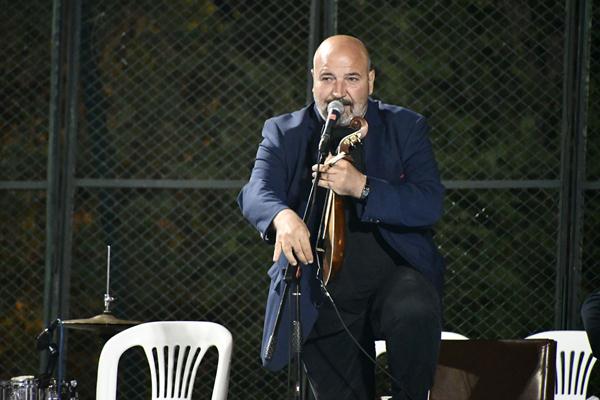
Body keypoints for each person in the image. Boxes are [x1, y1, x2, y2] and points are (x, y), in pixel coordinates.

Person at [238, 34, 445, 400]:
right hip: (322, 294)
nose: (339, 91)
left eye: (352, 78)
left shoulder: (405, 127)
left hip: (395, 281)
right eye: (327, 78)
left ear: (371, 80)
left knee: (414, 306)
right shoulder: (283, 131)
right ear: (313, 81)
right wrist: (282, 217)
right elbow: (255, 192)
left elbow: (429, 203)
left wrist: (363, 187)